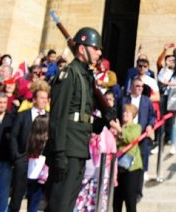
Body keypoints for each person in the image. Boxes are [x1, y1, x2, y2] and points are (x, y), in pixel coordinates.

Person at [44, 27, 119, 212]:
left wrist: (101, 122)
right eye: (96, 48)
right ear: (81, 48)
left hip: (79, 147)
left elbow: (81, 117)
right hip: (67, 149)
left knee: (67, 205)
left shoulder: (86, 77)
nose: (100, 52)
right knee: (59, 205)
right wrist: (59, 152)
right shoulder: (69, 74)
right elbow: (58, 117)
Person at [9, 81, 49, 212]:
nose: (44, 100)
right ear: (34, 99)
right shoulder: (23, 115)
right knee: (17, 194)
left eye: (46, 98)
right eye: (41, 98)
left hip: (41, 161)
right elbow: (14, 136)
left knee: (35, 194)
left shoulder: (49, 117)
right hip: (23, 158)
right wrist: (16, 156)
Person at [120, 76, 156, 195]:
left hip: (141, 136)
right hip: (126, 134)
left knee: (140, 164)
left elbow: (152, 116)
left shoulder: (147, 101)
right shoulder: (124, 100)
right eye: (137, 86)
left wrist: (150, 125)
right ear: (131, 87)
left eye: (142, 86)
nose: (140, 88)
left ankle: (138, 191)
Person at [113, 104, 143, 212]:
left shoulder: (136, 127)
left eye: (128, 112)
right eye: (124, 112)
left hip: (131, 169)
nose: (124, 114)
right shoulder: (119, 127)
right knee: (116, 202)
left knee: (130, 201)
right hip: (118, 169)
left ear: (133, 115)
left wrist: (119, 130)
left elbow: (130, 138)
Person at [157, 53, 176, 155]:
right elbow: (160, 80)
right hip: (164, 97)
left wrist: (167, 83)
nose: (171, 62)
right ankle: (160, 143)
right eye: (169, 60)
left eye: (173, 60)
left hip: (173, 98)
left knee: (172, 121)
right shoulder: (163, 71)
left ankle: (173, 144)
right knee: (161, 121)